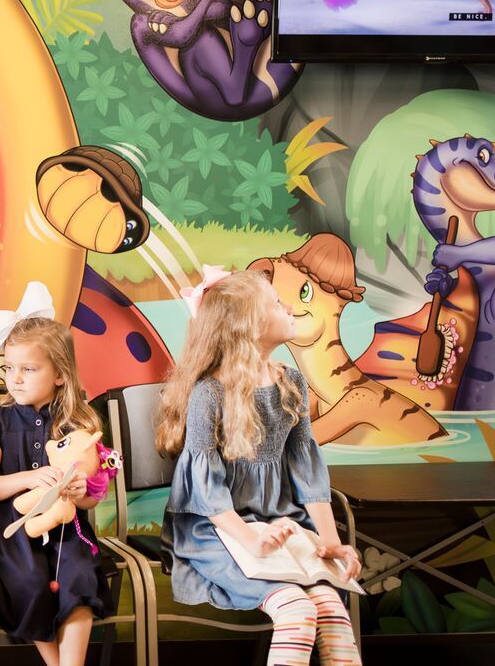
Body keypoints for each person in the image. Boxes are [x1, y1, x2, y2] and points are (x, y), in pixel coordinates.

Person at [155, 268, 363, 666]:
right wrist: (250, 539)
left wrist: (328, 538)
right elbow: (205, 490)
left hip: (278, 524)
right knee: (297, 611)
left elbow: (308, 471)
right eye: (274, 303)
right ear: (247, 325)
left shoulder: (292, 383)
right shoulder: (208, 394)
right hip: (217, 531)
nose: (287, 306)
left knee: (332, 611)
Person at [0, 316, 115, 666]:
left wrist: (81, 492)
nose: (15, 378)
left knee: (78, 578)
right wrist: (26, 479)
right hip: (11, 534)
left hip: (69, 532)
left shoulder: (80, 426)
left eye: (29, 369)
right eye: (9, 367)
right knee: (30, 582)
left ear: (60, 374)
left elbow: (93, 496)